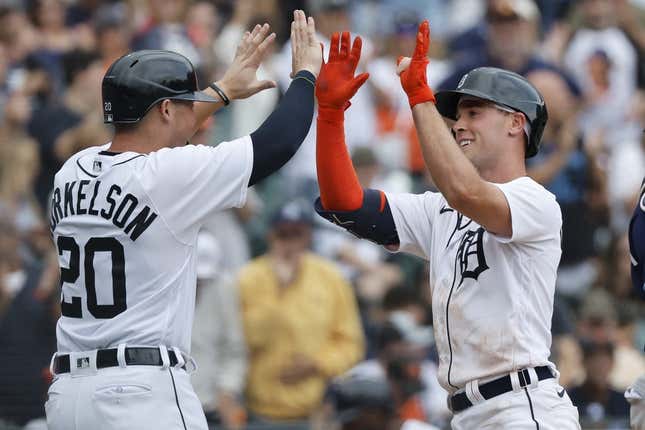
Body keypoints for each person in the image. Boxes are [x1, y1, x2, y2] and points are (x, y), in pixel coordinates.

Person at [45, 10, 322, 430]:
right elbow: (278, 142)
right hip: (139, 393)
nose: (194, 114)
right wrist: (304, 76)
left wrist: (225, 88)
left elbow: (164, 123)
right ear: (166, 110)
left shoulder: (71, 171)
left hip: (69, 397)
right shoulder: (166, 177)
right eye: (185, 104)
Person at [312, 22, 580, 429]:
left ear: (516, 123)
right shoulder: (439, 210)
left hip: (523, 407)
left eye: (474, 112)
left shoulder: (536, 202)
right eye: (455, 116)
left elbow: (466, 193)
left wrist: (420, 96)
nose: (458, 125)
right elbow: (344, 202)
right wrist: (330, 116)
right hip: (466, 413)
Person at [237, 200, 364, 424]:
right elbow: (246, 341)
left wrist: (317, 364)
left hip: (313, 412)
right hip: (258, 411)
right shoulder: (248, 278)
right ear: (271, 236)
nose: (290, 243)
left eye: (297, 234)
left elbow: (351, 344)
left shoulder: (330, 278)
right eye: (283, 234)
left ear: (308, 237)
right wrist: (280, 290)